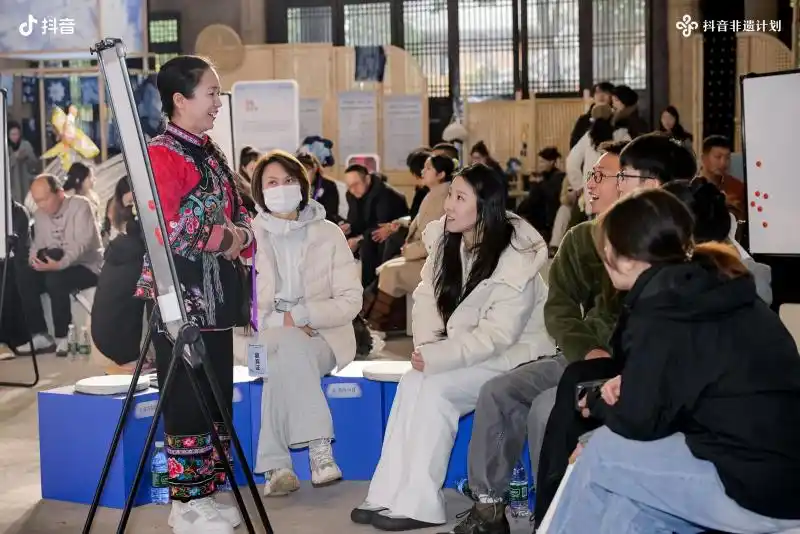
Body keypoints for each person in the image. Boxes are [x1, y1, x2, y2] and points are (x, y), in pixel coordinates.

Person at [546, 188, 800, 534]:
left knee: (603, 451)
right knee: (627, 503)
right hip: (775, 473)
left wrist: (598, 404)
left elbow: (639, 423)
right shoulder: (711, 286)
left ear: (626, 256)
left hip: (757, 491)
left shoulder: (663, 310)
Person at [350, 163, 555, 531]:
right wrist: (428, 348)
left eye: (460, 198)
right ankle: (388, 492)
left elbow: (498, 337)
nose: (449, 205)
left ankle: (421, 504)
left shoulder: (516, 256)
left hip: (517, 355)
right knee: (413, 382)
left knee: (436, 391)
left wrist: (438, 356)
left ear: (486, 206)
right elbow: (427, 297)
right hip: (464, 348)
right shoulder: (447, 238)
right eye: (450, 195)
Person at [446, 142, 626, 534]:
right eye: (590, 175)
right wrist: (587, 348)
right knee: (497, 391)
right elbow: (559, 309)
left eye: (601, 176)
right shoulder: (580, 238)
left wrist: (604, 355)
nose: (589, 185)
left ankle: (554, 516)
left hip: (624, 364)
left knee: (546, 408)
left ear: (631, 183)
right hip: (579, 355)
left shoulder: (649, 241)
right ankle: (490, 508)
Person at [533, 134, 700, 526]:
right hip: (604, 364)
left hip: (722, 448)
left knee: (575, 396)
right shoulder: (622, 244)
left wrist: (611, 398)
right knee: (567, 384)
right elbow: (562, 308)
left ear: (653, 187)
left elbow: (673, 373)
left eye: (623, 175)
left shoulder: (695, 269)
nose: (614, 184)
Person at [136, 55, 253, 534]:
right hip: (180, 296)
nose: (217, 103)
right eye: (210, 92)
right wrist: (228, 238)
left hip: (217, 295)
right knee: (185, 396)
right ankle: (184, 504)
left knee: (213, 393)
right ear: (180, 100)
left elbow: (241, 209)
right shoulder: (164, 154)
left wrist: (237, 234)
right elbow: (168, 227)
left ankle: (205, 492)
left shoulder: (208, 151)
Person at [250, 150, 362, 495]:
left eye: (288, 180)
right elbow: (243, 308)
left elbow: (350, 300)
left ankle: (276, 465)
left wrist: (302, 315)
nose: (281, 187)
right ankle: (319, 450)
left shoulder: (328, 233)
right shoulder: (250, 235)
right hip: (266, 334)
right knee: (287, 344)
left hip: (323, 336)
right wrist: (283, 320)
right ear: (260, 190)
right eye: (272, 182)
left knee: (287, 355)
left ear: (302, 184)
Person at [365, 154, 455, 332]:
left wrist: (409, 250)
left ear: (441, 174)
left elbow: (436, 238)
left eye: (428, 168)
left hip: (437, 261)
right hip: (424, 254)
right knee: (386, 267)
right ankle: (371, 321)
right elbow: (419, 223)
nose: (423, 171)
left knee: (390, 271)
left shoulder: (443, 197)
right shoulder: (434, 194)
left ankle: (376, 325)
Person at [29, 174, 103, 356]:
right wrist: (35, 261)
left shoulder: (80, 205)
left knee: (56, 279)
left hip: (87, 265)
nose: (41, 205)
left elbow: (81, 244)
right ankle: (39, 333)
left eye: (45, 199)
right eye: (37, 201)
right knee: (25, 276)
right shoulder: (39, 215)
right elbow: (36, 245)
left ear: (60, 193)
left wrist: (59, 264)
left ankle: (62, 337)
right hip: (55, 263)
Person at [91, 177, 151, 373]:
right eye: (132, 205)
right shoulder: (137, 253)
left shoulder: (119, 248)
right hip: (125, 350)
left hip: (112, 344)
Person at [342, 164, 409, 287]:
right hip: (371, 232)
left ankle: (370, 290)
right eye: (349, 186)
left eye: (356, 184)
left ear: (367, 179)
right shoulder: (352, 194)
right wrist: (348, 227)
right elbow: (356, 220)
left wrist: (359, 238)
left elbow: (381, 226)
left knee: (368, 245)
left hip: (392, 234)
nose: (352, 190)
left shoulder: (386, 194)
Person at [698, 134, 744, 221]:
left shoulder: (737, 187)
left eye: (727, 158)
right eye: (718, 157)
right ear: (703, 158)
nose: (723, 163)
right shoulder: (690, 187)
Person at [295, 152, 342, 224]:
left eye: (306, 169)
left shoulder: (329, 185)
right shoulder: (293, 186)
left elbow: (331, 214)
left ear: (315, 168)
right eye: (299, 171)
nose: (303, 175)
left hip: (321, 226)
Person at [569, 82, 614, 149]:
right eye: (597, 92)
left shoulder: (616, 118)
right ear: (593, 96)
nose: (601, 96)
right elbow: (574, 143)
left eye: (605, 92)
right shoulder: (584, 119)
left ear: (612, 96)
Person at [8, 120, 39, 204]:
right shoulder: (6, 147)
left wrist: (26, 157)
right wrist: (14, 157)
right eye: (13, 134)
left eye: (17, 134)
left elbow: (34, 164)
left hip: (25, 182)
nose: (15, 137)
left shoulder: (25, 145)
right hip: (11, 185)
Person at [237, 146, 261, 215]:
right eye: (252, 169)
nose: (257, 173)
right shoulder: (243, 195)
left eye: (260, 167)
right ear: (244, 169)